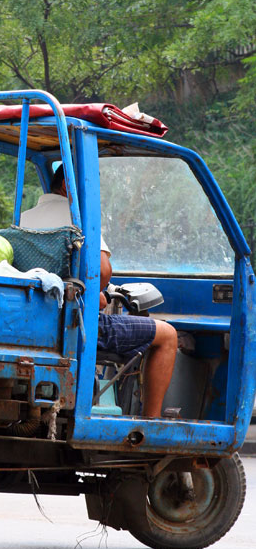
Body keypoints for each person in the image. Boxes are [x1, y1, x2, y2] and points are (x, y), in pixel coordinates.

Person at [20, 166, 177, 418]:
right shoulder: (76, 216)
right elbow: (102, 269)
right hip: (74, 323)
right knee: (168, 335)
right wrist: (97, 294)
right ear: (67, 186)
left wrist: (92, 293)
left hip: (39, 322)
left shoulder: (25, 217)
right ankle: (151, 420)